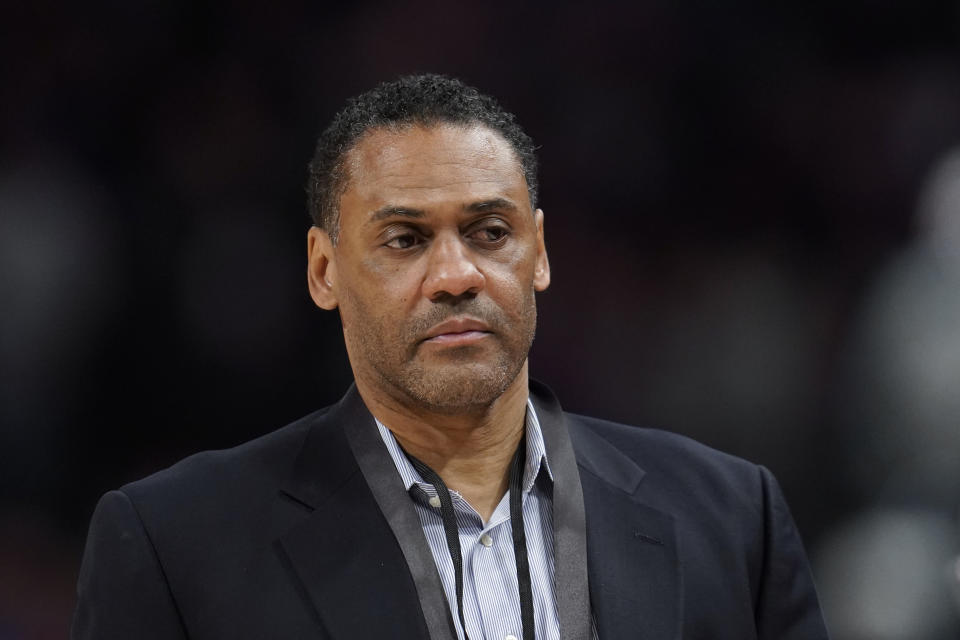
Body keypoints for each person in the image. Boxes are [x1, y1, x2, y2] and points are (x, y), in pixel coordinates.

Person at [72, 74, 829, 640]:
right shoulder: (175, 543)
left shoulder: (733, 519)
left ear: (539, 252)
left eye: (489, 232)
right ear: (323, 271)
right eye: (404, 240)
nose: (457, 275)